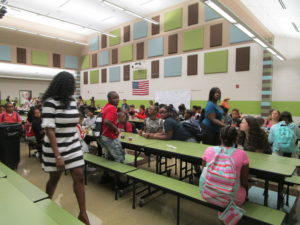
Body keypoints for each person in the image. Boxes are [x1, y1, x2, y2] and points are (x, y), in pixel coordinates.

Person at [41, 71, 90, 225]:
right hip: (55, 146)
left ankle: (83, 213)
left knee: (79, 175)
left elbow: (75, 119)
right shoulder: (50, 102)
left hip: (72, 143)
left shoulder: (72, 101)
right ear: (63, 86)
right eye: (71, 86)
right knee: (54, 178)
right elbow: (49, 129)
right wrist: (58, 156)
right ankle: (47, 200)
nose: (73, 89)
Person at [202, 126, 249, 206]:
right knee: (244, 186)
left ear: (220, 136)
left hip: (208, 194)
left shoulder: (208, 150)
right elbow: (244, 182)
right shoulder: (242, 154)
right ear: (235, 138)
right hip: (233, 199)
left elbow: (204, 172)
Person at [100, 91, 124, 162]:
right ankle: (118, 172)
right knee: (119, 158)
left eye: (118, 97)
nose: (117, 99)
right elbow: (107, 121)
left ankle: (107, 173)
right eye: (114, 98)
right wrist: (116, 129)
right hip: (110, 137)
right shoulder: (112, 108)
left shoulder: (106, 106)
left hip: (103, 136)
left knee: (109, 158)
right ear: (109, 99)